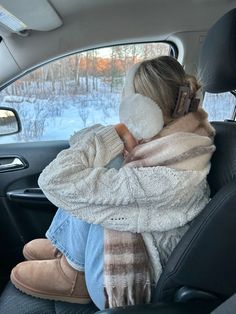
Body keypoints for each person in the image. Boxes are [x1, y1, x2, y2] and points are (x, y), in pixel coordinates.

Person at [10, 56, 215, 310]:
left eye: (128, 101)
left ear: (142, 111)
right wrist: (118, 137)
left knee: (97, 176)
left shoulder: (168, 176)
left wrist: (115, 135)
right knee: (104, 163)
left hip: (128, 282)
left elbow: (54, 179)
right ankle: (68, 253)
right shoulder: (179, 142)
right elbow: (80, 141)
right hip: (141, 249)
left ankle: (75, 274)